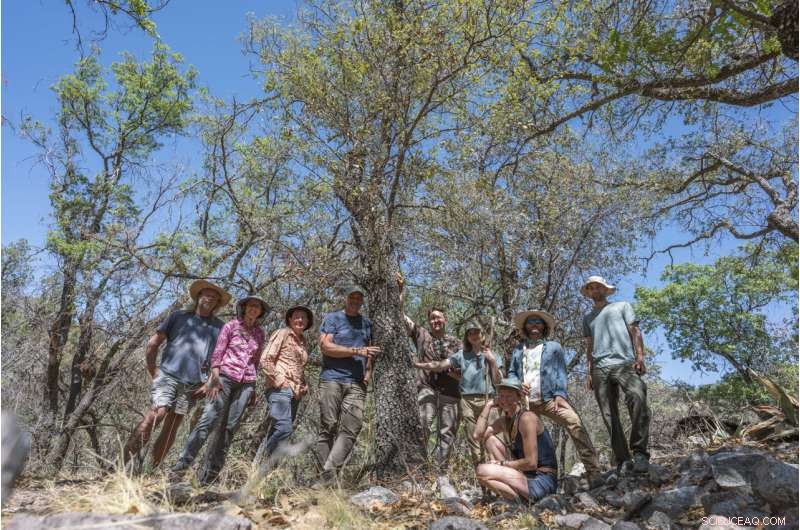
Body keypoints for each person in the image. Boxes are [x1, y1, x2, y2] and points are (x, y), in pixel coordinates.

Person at [123, 279, 230, 468]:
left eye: (214, 297)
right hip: (168, 376)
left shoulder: (220, 328)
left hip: (193, 385)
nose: (210, 298)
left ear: (217, 303)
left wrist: (209, 383)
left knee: (173, 424)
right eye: (207, 294)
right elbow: (153, 343)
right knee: (157, 413)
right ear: (198, 296)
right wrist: (152, 369)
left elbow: (219, 358)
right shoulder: (178, 316)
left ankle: (150, 471)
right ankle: (118, 466)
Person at [171, 295, 268, 483]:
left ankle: (209, 477)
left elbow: (255, 362)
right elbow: (218, 353)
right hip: (224, 378)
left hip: (246, 383)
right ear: (244, 308)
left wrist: (254, 388)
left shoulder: (260, 333)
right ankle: (180, 469)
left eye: (258, 307)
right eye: (251, 305)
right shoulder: (231, 326)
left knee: (229, 428)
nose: (254, 309)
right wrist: (214, 378)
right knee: (208, 420)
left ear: (261, 312)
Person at [508, 310, 602, 487]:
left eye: (538, 322)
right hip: (525, 403)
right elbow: (512, 372)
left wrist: (560, 394)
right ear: (525, 327)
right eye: (530, 322)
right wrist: (518, 383)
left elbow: (560, 372)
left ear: (544, 327)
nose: (534, 325)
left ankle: (594, 472)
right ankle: (523, 480)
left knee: (574, 422)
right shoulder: (519, 349)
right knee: (517, 437)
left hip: (550, 399)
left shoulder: (553, 347)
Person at [582, 275, 651, 473]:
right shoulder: (587, 318)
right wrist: (589, 372)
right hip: (599, 368)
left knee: (637, 396)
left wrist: (640, 357)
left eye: (598, 287)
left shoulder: (622, 306)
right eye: (591, 288)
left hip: (624, 363)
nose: (595, 290)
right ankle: (623, 459)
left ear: (605, 289)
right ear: (589, 293)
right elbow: (589, 345)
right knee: (608, 414)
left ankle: (640, 453)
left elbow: (635, 331)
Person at [314, 285, 381, 485]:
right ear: (346, 299)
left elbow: (371, 352)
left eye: (359, 299)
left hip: (357, 383)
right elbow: (325, 347)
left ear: (362, 302)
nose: (355, 301)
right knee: (328, 427)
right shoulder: (333, 318)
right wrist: (355, 351)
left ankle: (327, 475)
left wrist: (368, 373)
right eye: (352, 297)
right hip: (331, 379)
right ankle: (324, 482)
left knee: (353, 426)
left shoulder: (366, 323)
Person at [396, 273, 462, 472]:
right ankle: (417, 469)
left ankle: (440, 472)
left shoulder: (457, 343)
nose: (435, 321)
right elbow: (401, 316)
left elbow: (462, 368)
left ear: (445, 320)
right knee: (422, 424)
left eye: (438, 318)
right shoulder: (422, 335)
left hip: (451, 392)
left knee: (447, 432)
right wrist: (401, 291)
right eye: (432, 318)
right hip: (426, 388)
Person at [414, 321, 503, 466]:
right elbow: (440, 366)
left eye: (476, 332)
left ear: (483, 335)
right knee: (474, 442)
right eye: (470, 333)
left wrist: (492, 361)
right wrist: (418, 364)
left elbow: (499, 381)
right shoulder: (461, 355)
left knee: (491, 439)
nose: (473, 335)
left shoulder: (493, 355)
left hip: (489, 401)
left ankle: (496, 475)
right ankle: (482, 477)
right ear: (467, 337)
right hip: (467, 402)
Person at [473, 378, 558, 502]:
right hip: (525, 475)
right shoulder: (505, 421)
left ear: (519, 397)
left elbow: (531, 463)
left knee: (482, 471)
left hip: (542, 480)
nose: (504, 400)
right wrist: (488, 405)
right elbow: (477, 435)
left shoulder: (527, 418)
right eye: (501, 396)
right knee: (490, 440)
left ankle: (520, 501)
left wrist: (503, 465)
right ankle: (519, 498)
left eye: (509, 396)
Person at [259, 305, 314, 457]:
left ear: (307, 322)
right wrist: (280, 380)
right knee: (284, 428)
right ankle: (263, 463)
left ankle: (261, 474)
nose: (300, 320)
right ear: (290, 319)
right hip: (280, 389)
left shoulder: (303, 342)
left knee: (278, 432)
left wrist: (303, 384)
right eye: (297, 316)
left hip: (295, 393)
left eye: (304, 317)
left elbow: (297, 366)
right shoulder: (282, 333)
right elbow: (266, 359)